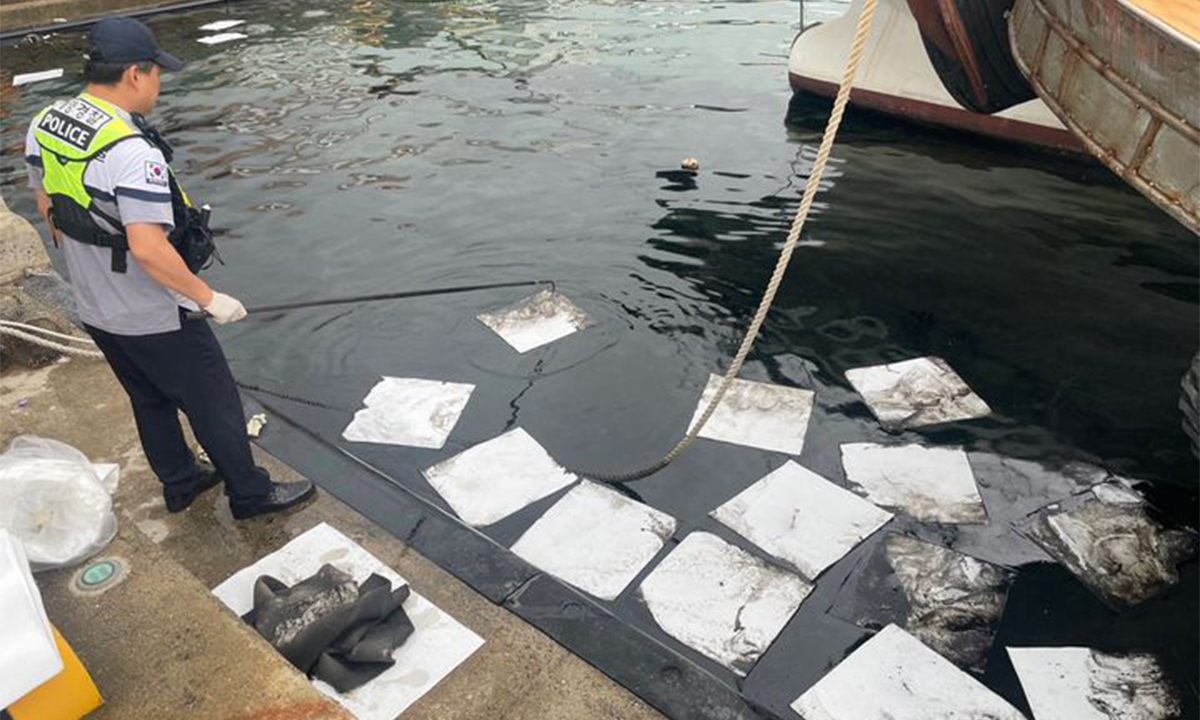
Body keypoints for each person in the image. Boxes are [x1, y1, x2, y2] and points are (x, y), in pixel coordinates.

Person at [25, 17, 315, 519]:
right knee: (214, 400)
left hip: (94, 305)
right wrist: (209, 298)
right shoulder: (132, 152)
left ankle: (181, 483)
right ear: (135, 74)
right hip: (152, 313)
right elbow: (148, 249)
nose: (159, 85)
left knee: (149, 398)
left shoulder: (46, 121)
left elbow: (46, 201)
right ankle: (250, 495)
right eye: (157, 73)